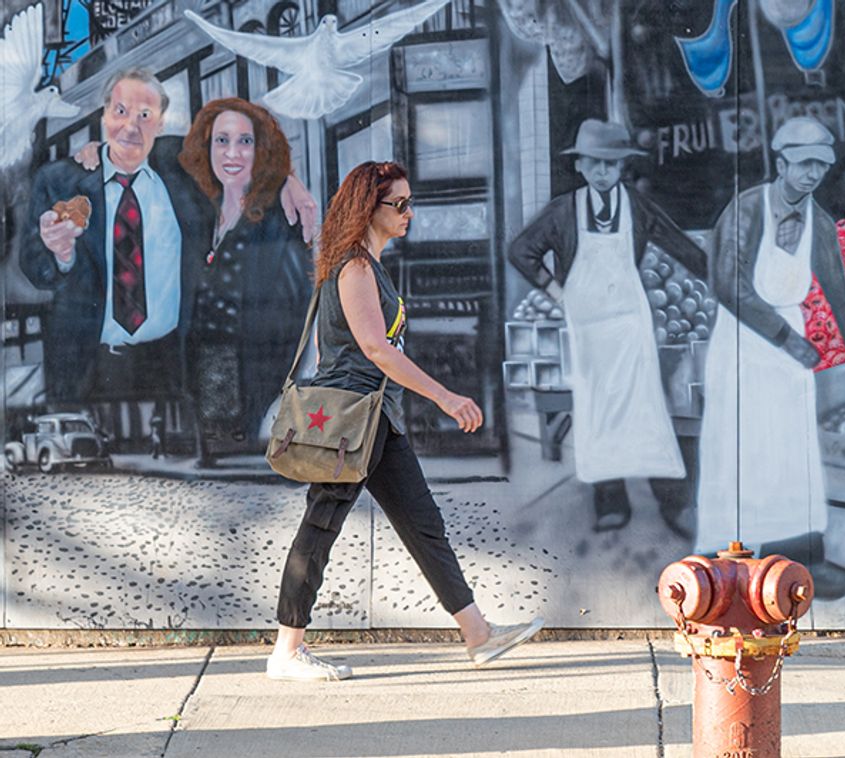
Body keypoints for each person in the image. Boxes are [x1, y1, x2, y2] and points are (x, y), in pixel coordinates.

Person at [268, 161, 543, 680]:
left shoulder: (370, 266)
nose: (409, 213)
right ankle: (285, 651)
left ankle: (478, 635)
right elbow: (374, 348)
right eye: (400, 204)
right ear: (368, 208)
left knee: (424, 527)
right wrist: (443, 396)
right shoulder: (352, 267)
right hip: (347, 426)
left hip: (376, 421)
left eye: (409, 203)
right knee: (319, 528)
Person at [22, 68, 316, 407]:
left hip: (173, 363)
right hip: (88, 365)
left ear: (161, 124)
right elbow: (32, 266)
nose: (131, 125)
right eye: (120, 111)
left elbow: (240, 158)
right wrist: (61, 254)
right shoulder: (59, 180)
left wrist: (286, 179)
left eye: (145, 115)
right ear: (104, 115)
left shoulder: (179, 166)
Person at [694, 117, 845, 598]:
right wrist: (785, 337)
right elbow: (726, 282)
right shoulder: (748, 209)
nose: (812, 174)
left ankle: (798, 563)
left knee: (791, 453)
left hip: (789, 347)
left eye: (820, 165)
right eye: (803, 164)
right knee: (741, 452)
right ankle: (730, 565)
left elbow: (838, 291)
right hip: (743, 342)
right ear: (781, 163)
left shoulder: (818, 222)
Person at [508, 119, 709, 537]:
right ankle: (610, 503)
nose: (603, 172)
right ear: (580, 165)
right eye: (595, 163)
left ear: (622, 168)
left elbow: (679, 244)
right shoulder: (564, 210)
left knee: (647, 410)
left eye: (612, 164)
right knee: (598, 414)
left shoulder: (636, 206)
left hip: (632, 326)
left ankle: (673, 503)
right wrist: (556, 291)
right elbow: (521, 250)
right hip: (589, 330)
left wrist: (717, 277)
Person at [177, 98, 311, 465]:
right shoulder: (203, 207)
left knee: (236, 448)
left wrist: (288, 179)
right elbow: (150, 151)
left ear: (262, 149)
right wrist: (97, 148)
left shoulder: (278, 214)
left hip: (252, 366)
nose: (232, 153)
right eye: (221, 140)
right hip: (207, 363)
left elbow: (295, 300)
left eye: (245, 142)